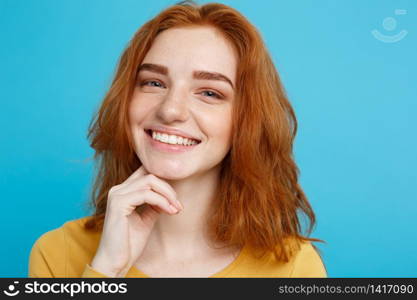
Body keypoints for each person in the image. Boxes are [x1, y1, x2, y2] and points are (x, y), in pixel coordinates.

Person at [28, 1, 327, 278]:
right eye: (153, 83)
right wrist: (106, 270)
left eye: (210, 92)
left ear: (246, 120)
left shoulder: (294, 268)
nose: (171, 110)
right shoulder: (58, 254)